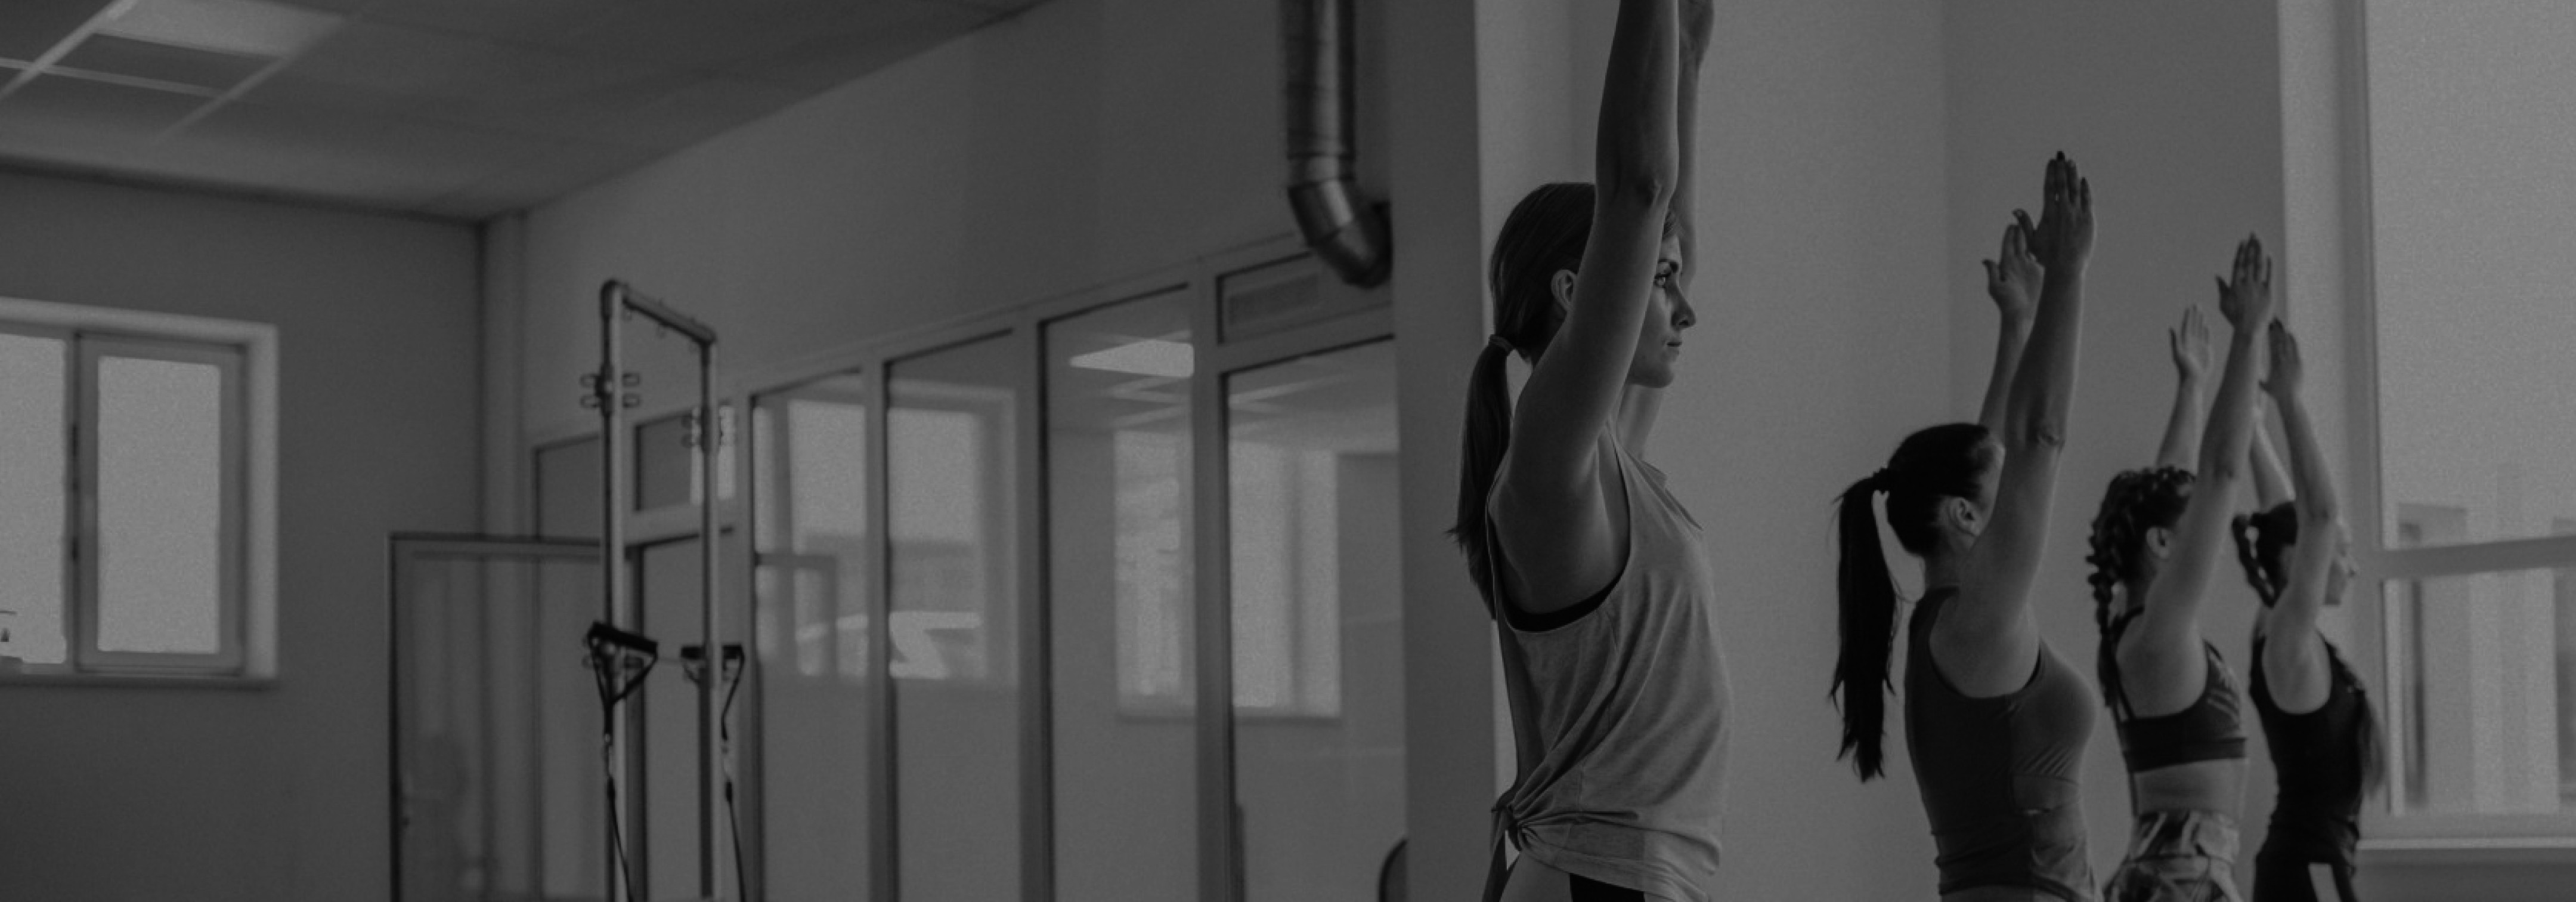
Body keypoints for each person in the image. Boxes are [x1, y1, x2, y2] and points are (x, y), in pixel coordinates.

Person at [1449, 1, 1718, 899]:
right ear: (1578, 292)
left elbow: (1661, 209)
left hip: (1617, 876)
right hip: (1602, 879)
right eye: (1663, 280)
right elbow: (1638, 191)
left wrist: (1681, 59)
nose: (1684, 309)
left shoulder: (1611, 460)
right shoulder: (1548, 459)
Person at [1832, 153, 2098, 902]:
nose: (2013, 480)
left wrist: (2018, 320)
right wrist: (2070, 275)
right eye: (1995, 485)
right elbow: (2040, 437)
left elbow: (1999, 444)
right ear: (1963, 517)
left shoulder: (1947, 627)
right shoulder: (1978, 622)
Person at [2089, 236, 2280, 901]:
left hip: (2180, 874)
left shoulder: (2132, 623)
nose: (2209, 527)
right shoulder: (2157, 633)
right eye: (2190, 524)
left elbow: (2169, 490)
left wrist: (2191, 388)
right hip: (2182, 881)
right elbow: (2221, 474)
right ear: (2164, 549)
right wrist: (2247, 336)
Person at [2235, 323, 2380, 902]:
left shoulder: (2289, 623)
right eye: (2343, 554)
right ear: (2301, 562)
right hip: (2307, 867)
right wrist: (2291, 401)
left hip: (2315, 862)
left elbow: (2284, 521)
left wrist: (2252, 427)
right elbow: (2315, 517)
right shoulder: (2286, 638)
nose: (2351, 566)